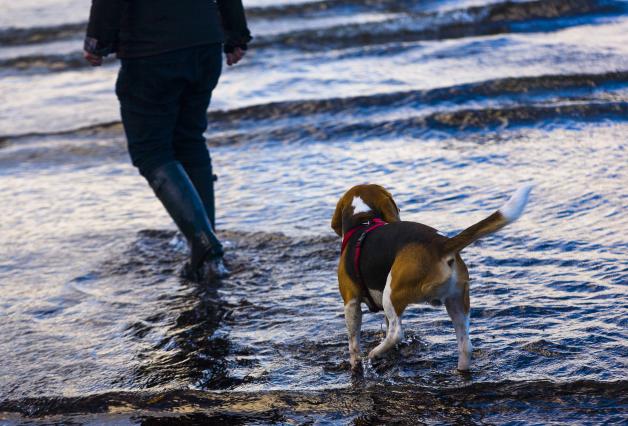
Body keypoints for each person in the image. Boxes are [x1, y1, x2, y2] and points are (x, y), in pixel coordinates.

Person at [84, 0, 251, 282]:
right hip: (204, 41)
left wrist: (97, 40)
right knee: (189, 140)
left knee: (151, 151)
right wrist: (236, 33)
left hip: (151, 48)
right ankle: (206, 247)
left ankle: (204, 245)